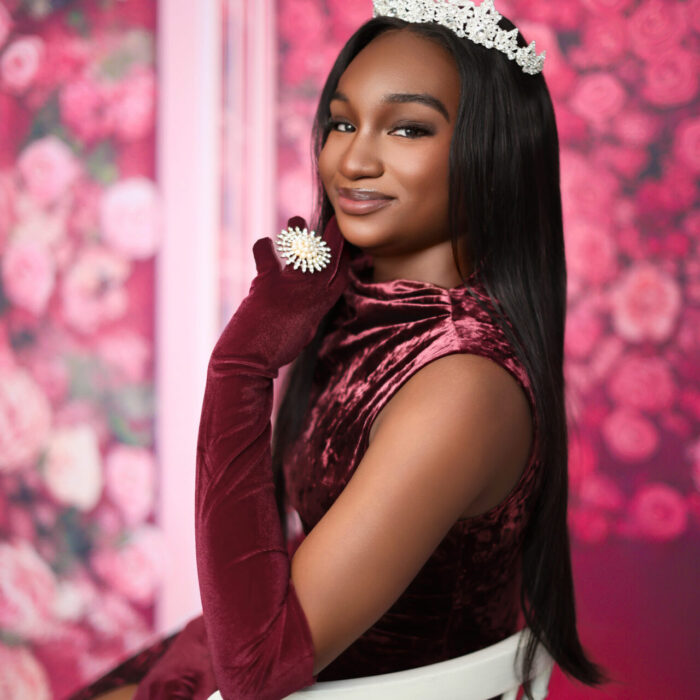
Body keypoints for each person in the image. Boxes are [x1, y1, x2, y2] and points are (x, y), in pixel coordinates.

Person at [70, 2, 609, 699]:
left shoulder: (462, 386)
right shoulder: (365, 318)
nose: (351, 159)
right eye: (342, 123)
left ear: (493, 150)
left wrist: (241, 365)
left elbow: (258, 669)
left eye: (408, 128)